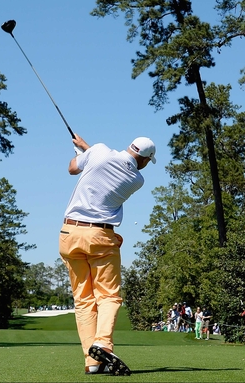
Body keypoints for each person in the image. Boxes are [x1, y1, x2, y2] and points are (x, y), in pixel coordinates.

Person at [60, 135, 155, 376]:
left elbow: (73, 168)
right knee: (108, 296)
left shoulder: (99, 151)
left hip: (69, 233)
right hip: (100, 237)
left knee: (83, 300)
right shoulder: (136, 179)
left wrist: (83, 152)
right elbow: (107, 163)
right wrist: (86, 149)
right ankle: (102, 344)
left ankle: (92, 362)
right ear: (144, 159)